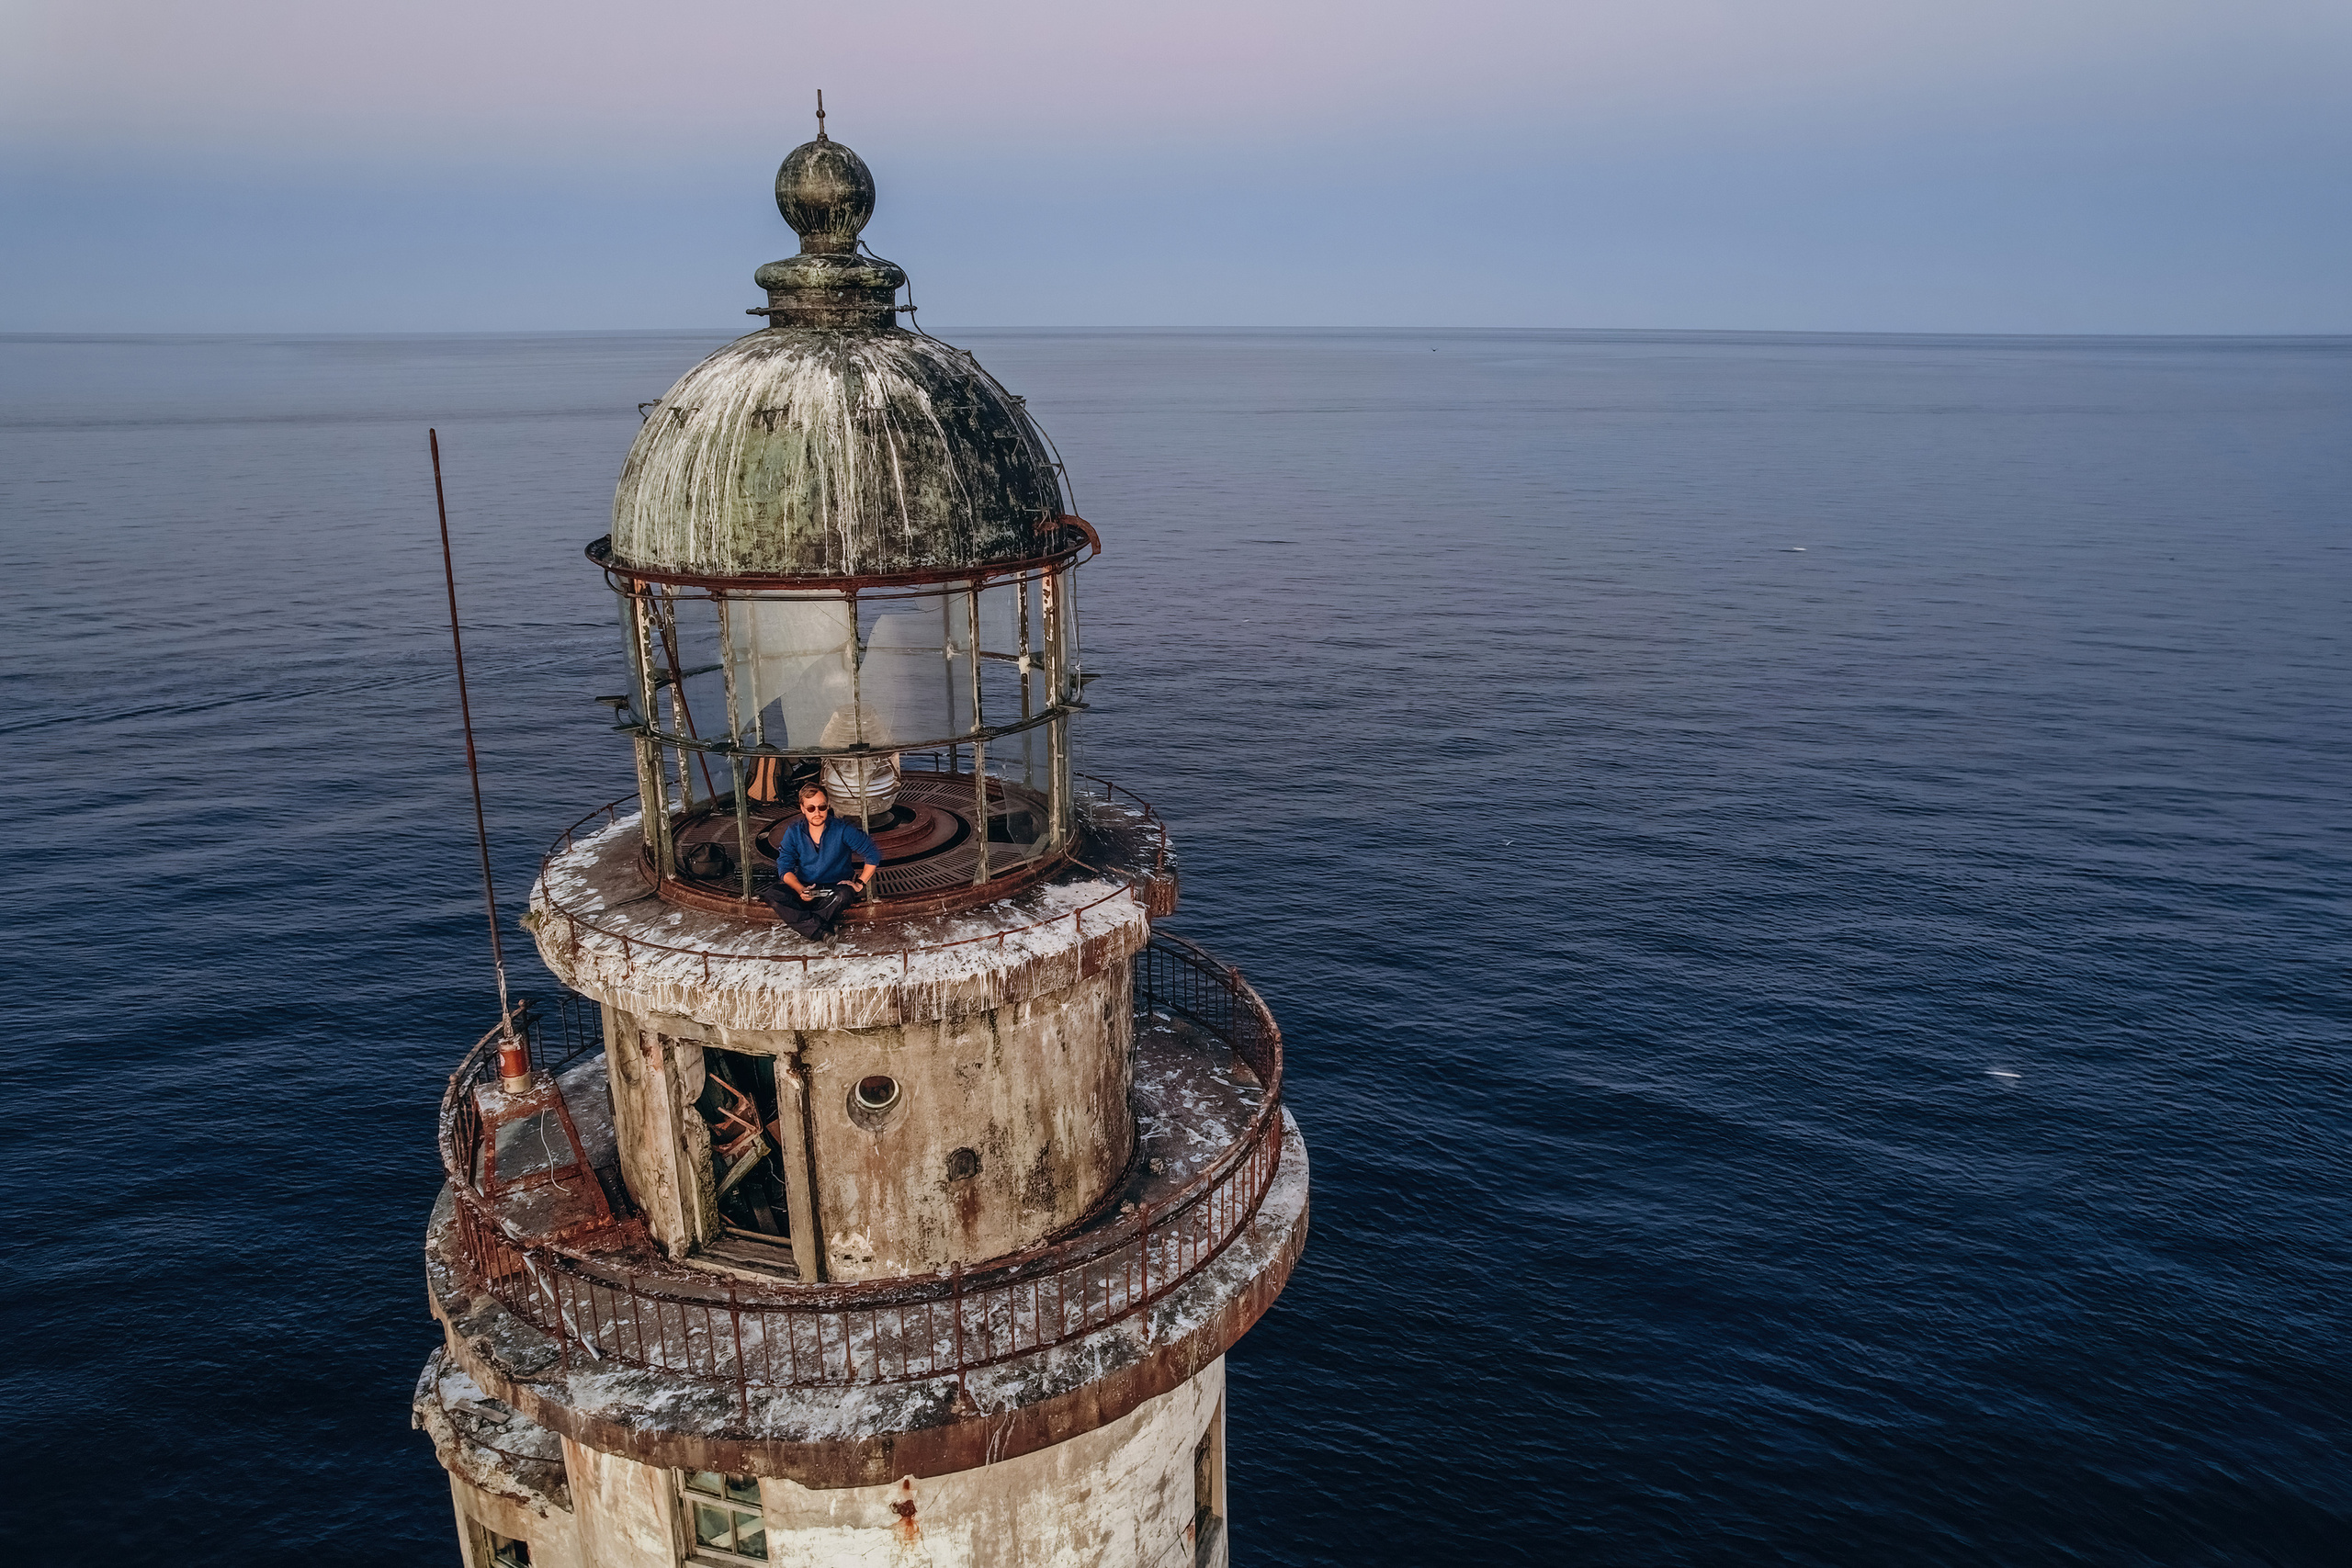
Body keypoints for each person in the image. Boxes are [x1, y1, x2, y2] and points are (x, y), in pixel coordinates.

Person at [762, 781, 880, 940]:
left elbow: (872, 853)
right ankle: (822, 929)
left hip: (836, 888)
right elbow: (784, 867)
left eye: (822, 807)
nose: (817, 812)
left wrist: (860, 883)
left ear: (828, 805)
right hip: (806, 887)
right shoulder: (794, 831)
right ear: (803, 808)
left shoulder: (842, 829)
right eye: (811, 808)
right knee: (773, 894)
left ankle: (812, 927)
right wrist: (800, 889)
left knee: (844, 895)